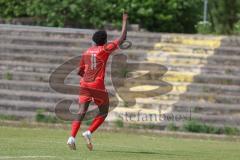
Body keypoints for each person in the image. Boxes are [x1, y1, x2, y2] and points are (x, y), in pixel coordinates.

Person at [67, 12, 128, 151]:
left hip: (84, 83)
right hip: (97, 84)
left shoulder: (86, 51)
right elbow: (122, 38)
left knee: (81, 111)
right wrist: (125, 20)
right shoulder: (104, 49)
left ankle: (71, 137)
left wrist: (86, 78)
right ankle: (88, 132)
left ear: (93, 40)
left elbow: (79, 72)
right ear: (105, 41)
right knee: (103, 112)